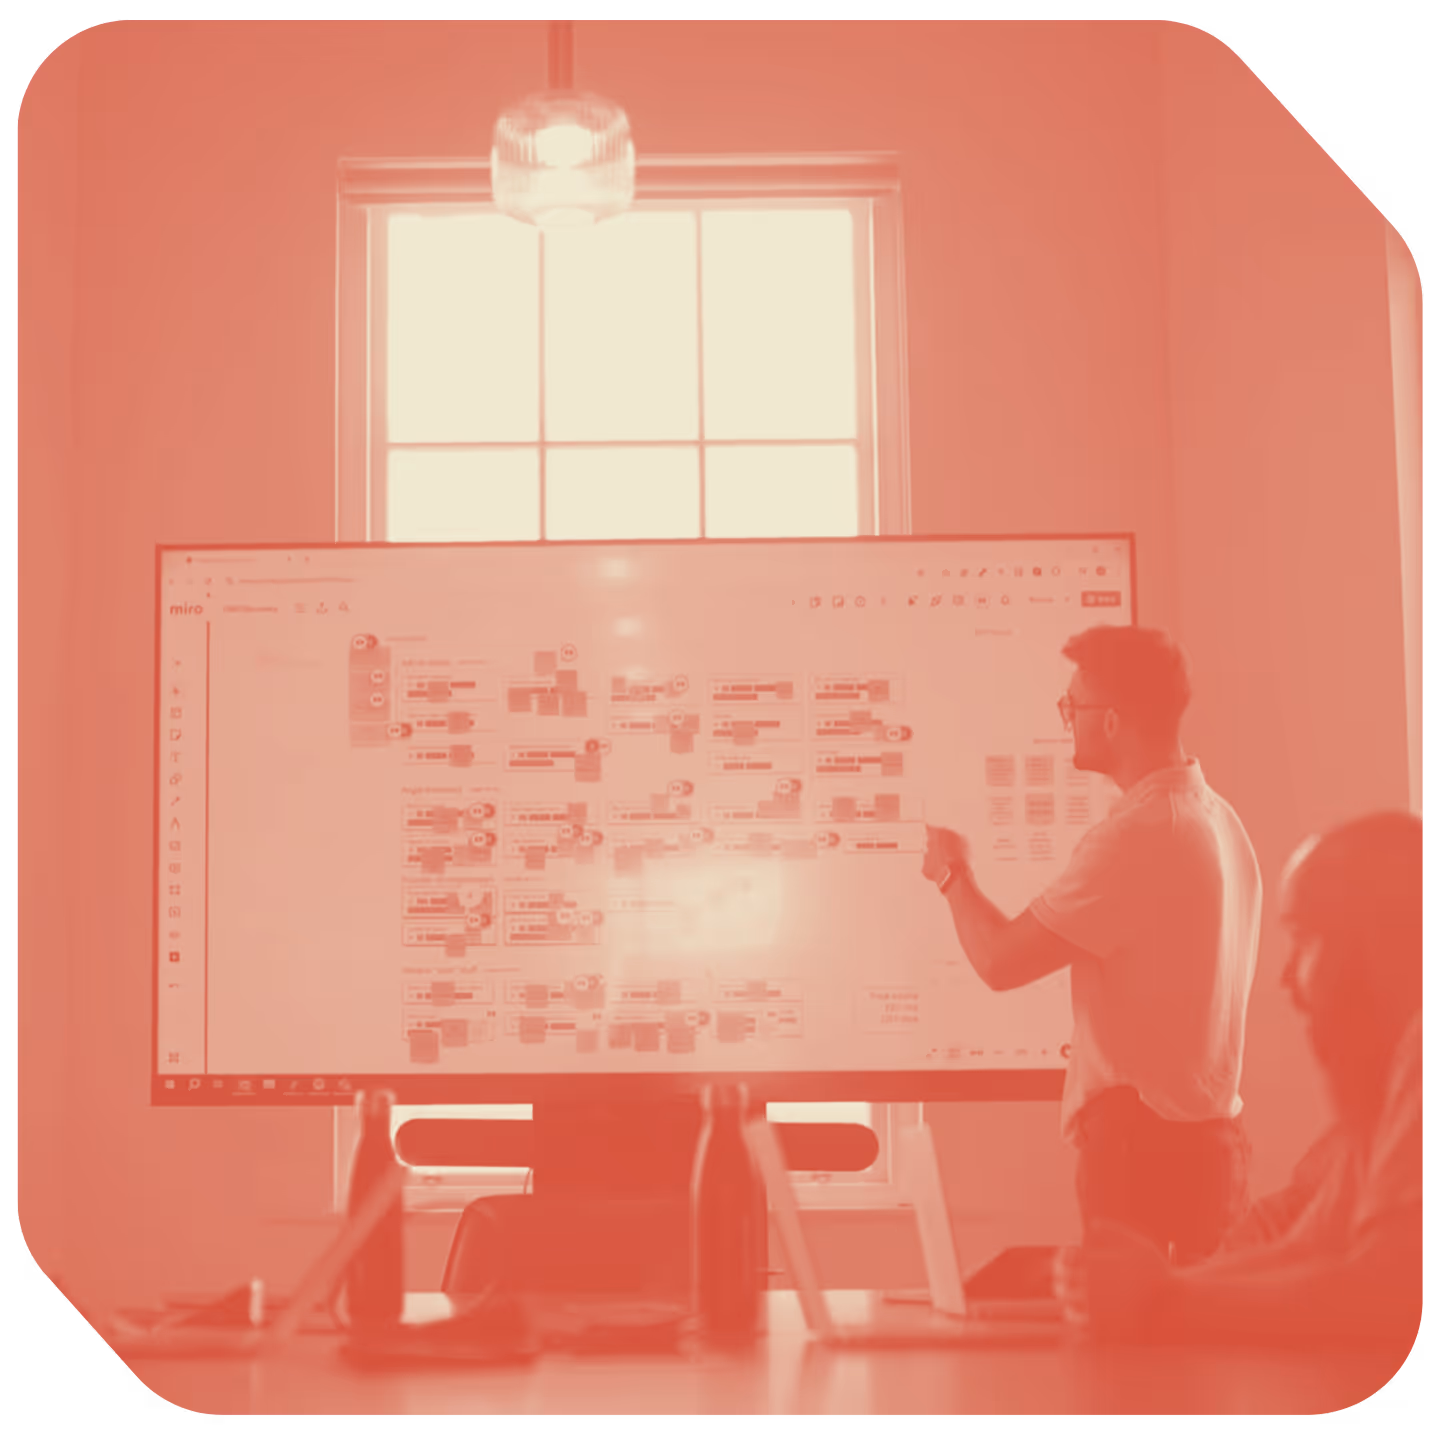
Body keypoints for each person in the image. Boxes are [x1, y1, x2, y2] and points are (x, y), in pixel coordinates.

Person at [922, 625, 1262, 1261]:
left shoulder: (1138, 836)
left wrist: (952, 875)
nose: (1066, 722)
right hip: (1214, 1143)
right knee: (1205, 1348)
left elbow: (999, 961)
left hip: (1142, 1149)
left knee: (1128, 1351)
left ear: (1111, 721)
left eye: (1071, 708)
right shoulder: (1217, 817)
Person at [1054, 812, 1422, 1346]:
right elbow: (1309, 1252)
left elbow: (1384, 1297)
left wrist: (1160, 1303)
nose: (1288, 978)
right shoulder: (1380, 1105)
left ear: (1379, 942)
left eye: (1305, 937)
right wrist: (1158, 1286)